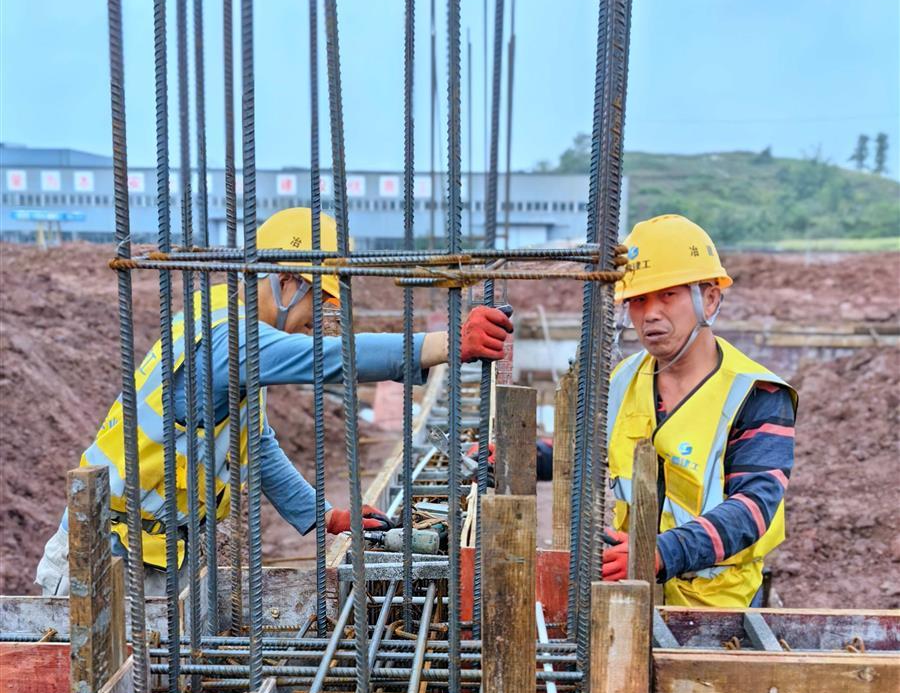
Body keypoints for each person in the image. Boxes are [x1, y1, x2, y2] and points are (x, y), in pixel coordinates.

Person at [35, 207, 513, 596]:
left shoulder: (231, 332)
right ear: (286, 282)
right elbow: (325, 359)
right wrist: (447, 343)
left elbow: (256, 447)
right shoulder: (224, 337)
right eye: (318, 301)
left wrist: (325, 516)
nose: (317, 319)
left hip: (159, 557)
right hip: (104, 558)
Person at [602, 213, 797, 608]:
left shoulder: (755, 393)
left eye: (667, 295)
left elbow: (754, 504)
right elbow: (584, 448)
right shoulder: (624, 379)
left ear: (709, 298)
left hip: (719, 606)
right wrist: (524, 454)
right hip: (633, 592)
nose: (650, 313)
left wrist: (665, 551)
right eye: (639, 300)